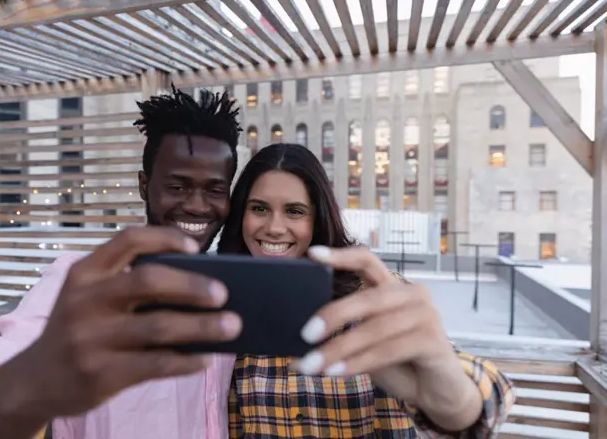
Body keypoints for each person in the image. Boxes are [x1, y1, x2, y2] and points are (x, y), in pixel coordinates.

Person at [0, 87, 245, 439]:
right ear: (144, 185)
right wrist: (31, 380)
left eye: (215, 190)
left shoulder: (229, 289)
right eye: (178, 186)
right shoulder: (83, 282)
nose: (198, 206)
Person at [216, 143, 515, 437]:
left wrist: (452, 400)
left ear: (319, 219)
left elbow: (483, 406)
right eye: (259, 208)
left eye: (295, 211)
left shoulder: (374, 297)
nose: (275, 227)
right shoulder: (225, 308)